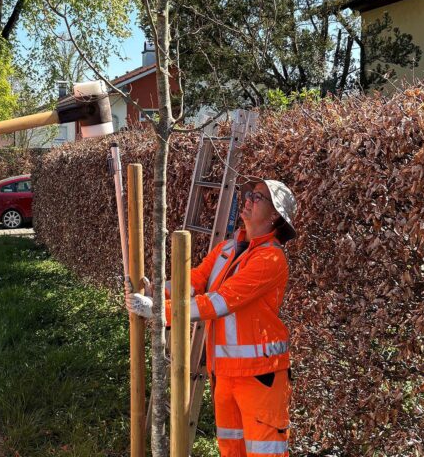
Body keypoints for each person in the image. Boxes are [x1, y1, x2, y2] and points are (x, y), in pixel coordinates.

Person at [126, 177, 297, 457]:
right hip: (225, 375)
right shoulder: (227, 250)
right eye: (250, 195)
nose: (249, 201)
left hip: (260, 378)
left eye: (258, 198)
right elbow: (194, 281)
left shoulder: (271, 260)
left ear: (275, 216)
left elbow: (220, 302)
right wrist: (156, 290)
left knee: (265, 452)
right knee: (230, 449)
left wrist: (158, 311)